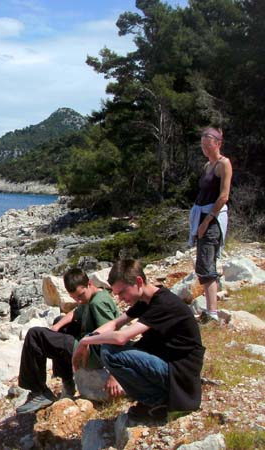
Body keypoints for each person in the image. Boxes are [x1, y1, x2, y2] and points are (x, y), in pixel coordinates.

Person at [74, 260, 204, 421]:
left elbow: (121, 337)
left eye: (122, 292)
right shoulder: (146, 300)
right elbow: (115, 323)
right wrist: (89, 338)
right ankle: (155, 398)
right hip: (168, 362)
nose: (120, 299)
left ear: (138, 282)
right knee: (108, 348)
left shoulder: (163, 303)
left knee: (110, 351)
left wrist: (85, 342)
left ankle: (157, 401)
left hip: (180, 372)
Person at [16, 267, 123, 414]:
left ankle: (39, 391)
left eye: (80, 295)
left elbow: (111, 332)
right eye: (74, 298)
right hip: (87, 343)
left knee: (35, 335)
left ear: (89, 283)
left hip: (92, 354)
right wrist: (57, 326)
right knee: (60, 321)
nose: (79, 300)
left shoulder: (97, 303)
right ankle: (67, 382)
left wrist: (114, 372)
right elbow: (76, 312)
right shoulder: (91, 296)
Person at [189, 126, 232, 323]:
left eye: (208, 145)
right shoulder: (208, 166)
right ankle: (210, 310)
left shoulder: (224, 164)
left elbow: (224, 196)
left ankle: (212, 313)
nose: (205, 148)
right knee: (203, 264)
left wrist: (206, 221)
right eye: (203, 145)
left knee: (206, 265)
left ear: (218, 144)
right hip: (202, 215)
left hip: (212, 218)